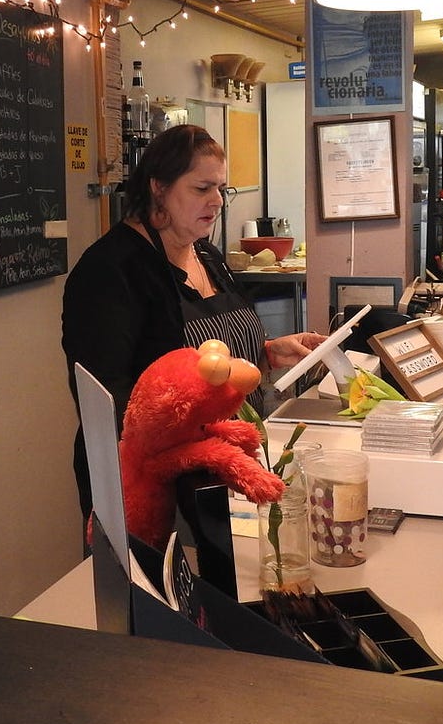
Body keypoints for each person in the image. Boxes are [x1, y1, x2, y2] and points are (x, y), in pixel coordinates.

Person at [61, 124, 325, 521]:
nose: (217, 201)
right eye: (202, 189)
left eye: (221, 188)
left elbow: (208, 362)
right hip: (156, 486)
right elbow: (109, 403)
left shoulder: (206, 254)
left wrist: (266, 353)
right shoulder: (110, 271)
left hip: (226, 468)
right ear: (159, 188)